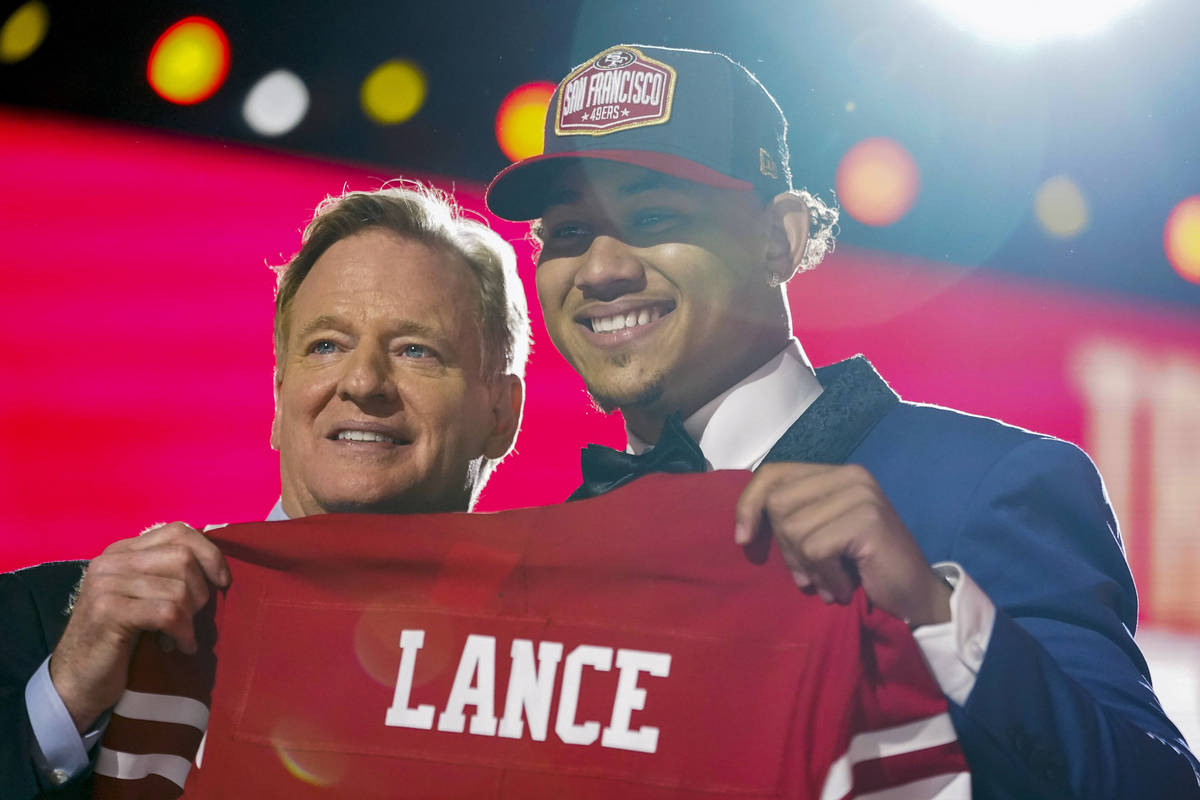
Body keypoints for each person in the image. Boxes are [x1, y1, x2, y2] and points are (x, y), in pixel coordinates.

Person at [485, 43, 1200, 799]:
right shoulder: (556, 552)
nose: (599, 269)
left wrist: (933, 613)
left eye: (653, 214)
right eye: (566, 232)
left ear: (779, 239)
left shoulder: (990, 486)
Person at [1, 182, 530, 799]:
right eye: (326, 345)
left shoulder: (554, 672)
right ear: (280, 398)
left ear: (501, 415)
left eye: (417, 350)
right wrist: (63, 704)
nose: (362, 382)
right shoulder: (45, 622)